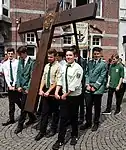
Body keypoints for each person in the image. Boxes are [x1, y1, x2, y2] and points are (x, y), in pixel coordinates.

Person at [52, 48, 83, 150]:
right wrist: (57, 91)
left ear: (75, 56)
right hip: (64, 96)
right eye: (67, 55)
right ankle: (60, 140)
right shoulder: (63, 66)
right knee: (63, 118)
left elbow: (75, 84)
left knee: (74, 117)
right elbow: (60, 80)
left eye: (70, 55)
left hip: (74, 96)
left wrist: (65, 94)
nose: (68, 57)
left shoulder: (78, 68)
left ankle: (74, 135)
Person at [35, 49, 61, 141]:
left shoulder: (59, 66)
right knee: (44, 112)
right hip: (46, 90)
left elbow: (57, 81)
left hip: (54, 91)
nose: (49, 58)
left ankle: (53, 129)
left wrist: (49, 91)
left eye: (51, 57)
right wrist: (41, 89)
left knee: (55, 112)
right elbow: (43, 78)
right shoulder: (46, 66)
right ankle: (42, 131)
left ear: (55, 57)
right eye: (48, 57)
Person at [80, 47, 107, 132]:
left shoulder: (103, 64)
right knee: (88, 106)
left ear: (100, 54)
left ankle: (96, 122)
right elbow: (87, 74)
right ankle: (88, 122)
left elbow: (102, 76)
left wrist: (95, 86)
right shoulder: (90, 62)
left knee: (97, 106)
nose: (96, 55)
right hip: (89, 87)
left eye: (97, 54)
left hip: (98, 88)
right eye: (94, 54)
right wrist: (87, 84)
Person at [14, 46, 36, 134]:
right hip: (20, 87)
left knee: (23, 107)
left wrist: (27, 88)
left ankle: (20, 125)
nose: (20, 56)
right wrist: (18, 85)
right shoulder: (20, 61)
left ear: (24, 53)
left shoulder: (31, 62)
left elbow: (31, 77)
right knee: (20, 102)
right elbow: (18, 74)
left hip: (27, 88)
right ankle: (32, 117)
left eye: (20, 55)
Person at [2, 48, 21, 126]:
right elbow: (6, 75)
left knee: (19, 102)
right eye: (9, 53)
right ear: (7, 54)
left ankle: (30, 115)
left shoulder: (17, 62)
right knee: (11, 102)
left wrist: (14, 84)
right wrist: (9, 85)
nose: (10, 55)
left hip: (17, 84)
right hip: (10, 86)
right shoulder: (5, 64)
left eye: (11, 53)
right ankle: (11, 119)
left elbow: (17, 74)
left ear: (14, 54)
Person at [74, 46, 87, 124]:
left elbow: (83, 74)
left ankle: (81, 117)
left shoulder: (81, 61)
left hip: (80, 85)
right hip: (73, 85)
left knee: (81, 103)